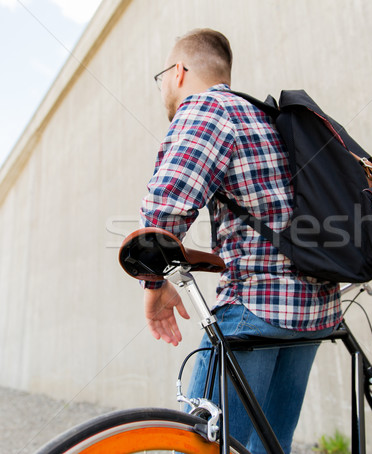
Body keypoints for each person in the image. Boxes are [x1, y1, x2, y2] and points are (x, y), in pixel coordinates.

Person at [140, 28, 342, 453]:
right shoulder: (266, 119)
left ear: (178, 72)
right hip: (314, 310)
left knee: (204, 447)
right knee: (267, 447)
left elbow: (164, 211)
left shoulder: (207, 110)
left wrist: (155, 287)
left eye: (161, 75)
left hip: (257, 307)